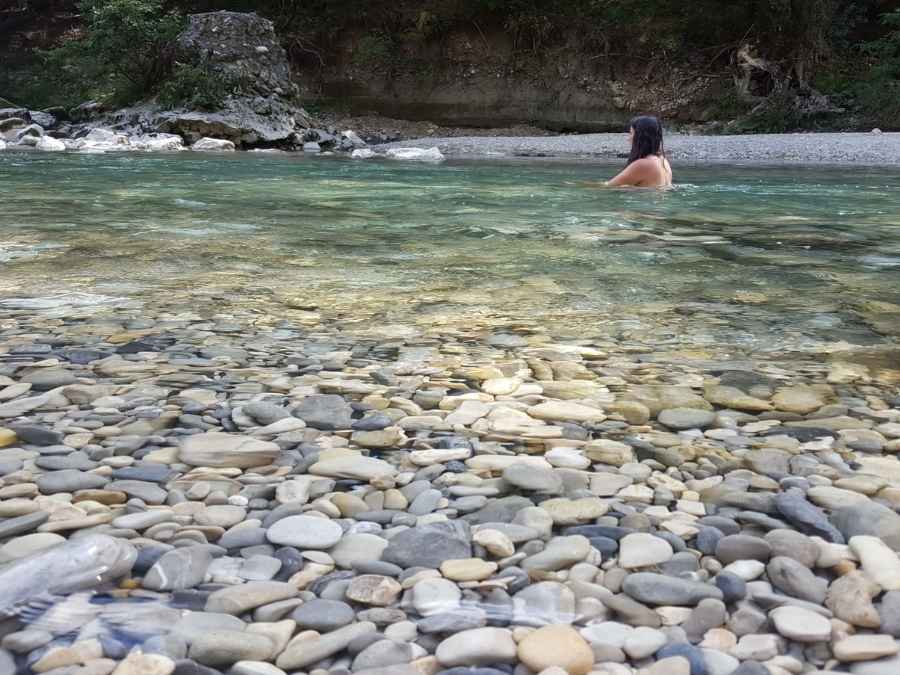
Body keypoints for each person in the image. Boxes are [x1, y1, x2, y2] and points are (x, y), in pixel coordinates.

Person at [605, 116, 672, 188]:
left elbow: (609, 186)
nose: (628, 138)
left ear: (640, 137)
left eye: (631, 133)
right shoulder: (664, 161)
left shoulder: (644, 164)